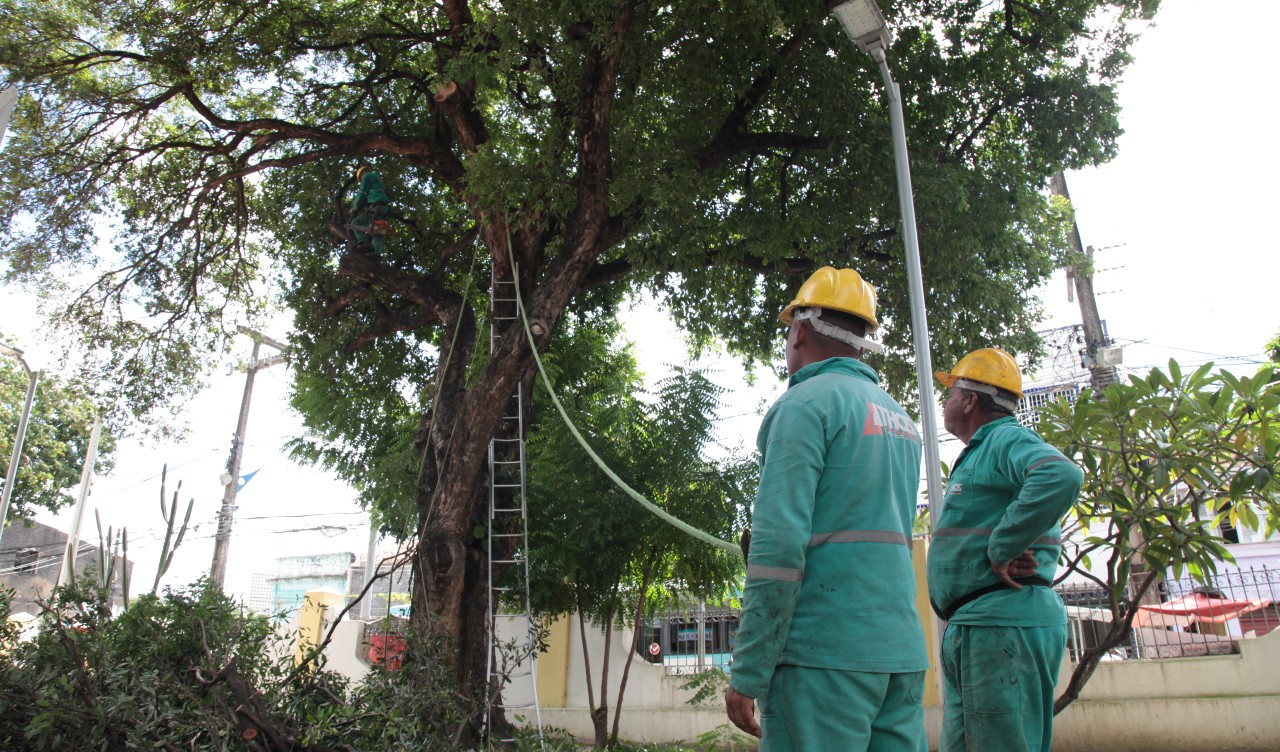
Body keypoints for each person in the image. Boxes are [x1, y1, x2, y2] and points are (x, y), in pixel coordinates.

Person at [725, 266, 929, 752]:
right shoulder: (900, 419)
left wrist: (748, 670)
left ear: (799, 331)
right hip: (899, 654)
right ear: (862, 342)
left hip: (823, 656)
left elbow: (776, 550)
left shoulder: (803, 407)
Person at [928, 348, 1085, 752]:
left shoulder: (1004, 437)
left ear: (970, 400)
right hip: (982, 627)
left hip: (1002, 625)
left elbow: (1060, 474)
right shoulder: (986, 448)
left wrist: (1002, 547)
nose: (945, 403)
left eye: (950, 393)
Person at [350, 165, 391, 254]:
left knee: (355, 223)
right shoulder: (377, 182)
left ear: (361, 176)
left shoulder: (367, 176)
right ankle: (376, 254)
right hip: (383, 209)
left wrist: (354, 209)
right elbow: (365, 199)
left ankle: (363, 242)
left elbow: (361, 193)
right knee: (377, 233)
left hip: (376, 207)